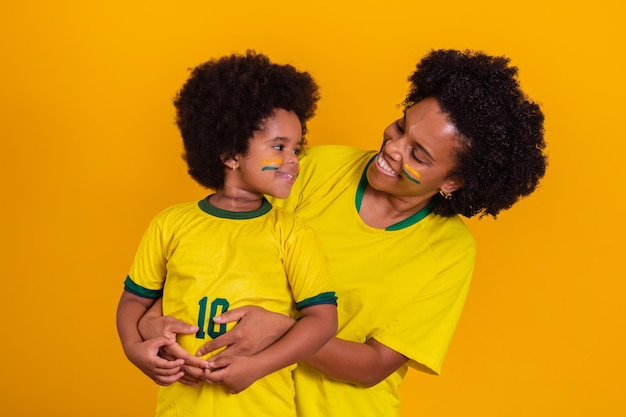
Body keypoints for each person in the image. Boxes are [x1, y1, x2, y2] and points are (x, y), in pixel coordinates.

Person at [136, 49, 548, 417]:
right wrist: (152, 323)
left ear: (453, 182)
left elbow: (373, 366)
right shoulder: (317, 168)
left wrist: (285, 329)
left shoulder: (449, 251)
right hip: (239, 404)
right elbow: (214, 251)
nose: (392, 148)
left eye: (418, 153)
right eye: (400, 126)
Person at [116, 50, 338, 417]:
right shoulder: (171, 224)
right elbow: (132, 302)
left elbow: (322, 320)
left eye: (296, 148)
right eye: (279, 147)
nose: (294, 160)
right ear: (231, 154)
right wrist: (133, 347)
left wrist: (258, 367)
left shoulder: (293, 232)